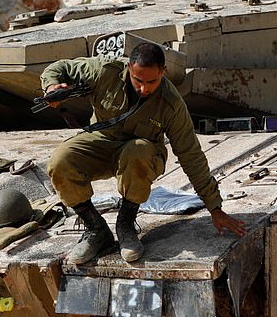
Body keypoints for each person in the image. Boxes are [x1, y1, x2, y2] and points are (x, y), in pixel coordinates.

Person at [40, 43, 246, 265]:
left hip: (140, 156)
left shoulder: (171, 103)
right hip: (101, 141)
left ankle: (126, 225)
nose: (144, 89)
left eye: (152, 82)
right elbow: (58, 67)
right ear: (128, 68)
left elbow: (190, 154)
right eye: (138, 80)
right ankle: (96, 229)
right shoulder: (104, 71)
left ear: (163, 73)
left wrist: (214, 208)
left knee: (138, 150)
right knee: (60, 161)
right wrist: (52, 88)